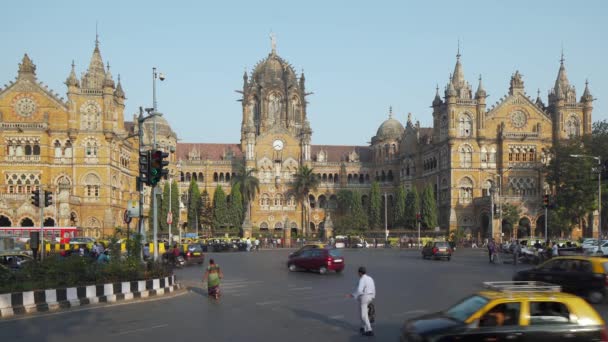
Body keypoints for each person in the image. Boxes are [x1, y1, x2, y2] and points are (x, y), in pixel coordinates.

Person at [346, 266, 376, 336]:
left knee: (363, 315)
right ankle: (363, 327)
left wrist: (352, 295)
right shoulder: (370, 278)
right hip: (370, 296)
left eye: (358, 273)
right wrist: (373, 297)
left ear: (360, 273)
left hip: (364, 297)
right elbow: (373, 288)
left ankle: (369, 330)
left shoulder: (362, 279)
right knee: (363, 312)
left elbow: (359, 290)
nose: (358, 274)